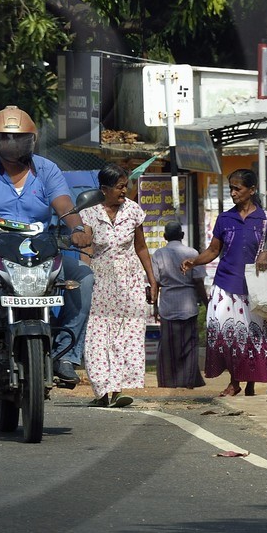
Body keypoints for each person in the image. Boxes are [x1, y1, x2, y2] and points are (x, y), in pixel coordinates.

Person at [0, 105, 95, 389]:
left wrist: (76, 228)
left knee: (84, 277)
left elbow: (64, 204)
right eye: (4, 139)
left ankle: (67, 356)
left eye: (18, 139)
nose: (11, 146)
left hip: (41, 254)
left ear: (32, 141)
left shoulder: (47, 169)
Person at [180, 168, 267, 397]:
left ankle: (251, 383)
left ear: (251, 190)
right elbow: (214, 250)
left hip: (254, 287)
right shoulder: (225, 218)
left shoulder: (265, 218)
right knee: (227, 332)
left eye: (238, 188)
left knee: (254, 334)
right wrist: (194, 261)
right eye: (231, 188)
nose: (233, 193)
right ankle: (235, 382)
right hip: (226, 284)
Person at [77, 165, 151, 408]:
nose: (124, 191)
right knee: (98, 335)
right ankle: (102, 391)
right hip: (101, 280)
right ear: (104, 189)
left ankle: (118, 389)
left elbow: (141, 247)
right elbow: (86, 248)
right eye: (120, 187)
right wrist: (83, 277)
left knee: (127, 334)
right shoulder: (89, 213)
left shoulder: (133, 211)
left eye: (125, 186)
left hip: (130, 280)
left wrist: (152, 279)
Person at [151, 221, 207, 389]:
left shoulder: (158, 254)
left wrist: (155, 308)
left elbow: (155, 283)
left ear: (165, 236)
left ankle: (167, 382)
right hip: (188, 303)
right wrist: (207, 303)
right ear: (182, 236)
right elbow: (198, 281)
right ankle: (188, 381)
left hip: (168, 304)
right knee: (189, 344)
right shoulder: (192, 252)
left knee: (168, 346)